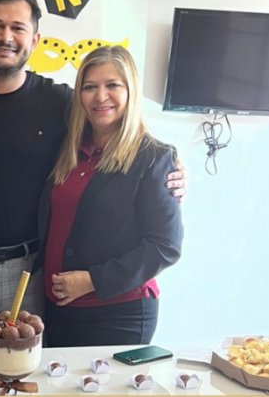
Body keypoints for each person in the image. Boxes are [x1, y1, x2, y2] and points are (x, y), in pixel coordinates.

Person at [0, 0, 186, 352]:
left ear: (34, 40)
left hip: (31, 272)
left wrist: (172, 168)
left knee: (25, 377)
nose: (6, 37)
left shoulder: (60, 103)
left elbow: (123, 137)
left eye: (17, 28)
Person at [39, 45, 183, 346]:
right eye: (90, 87)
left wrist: (93, 280)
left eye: (113, 85)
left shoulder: (154, 158)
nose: (100, 96)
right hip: (58, 311)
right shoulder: (69, 150)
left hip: (118, 314)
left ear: (131, 90)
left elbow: (165, 246)